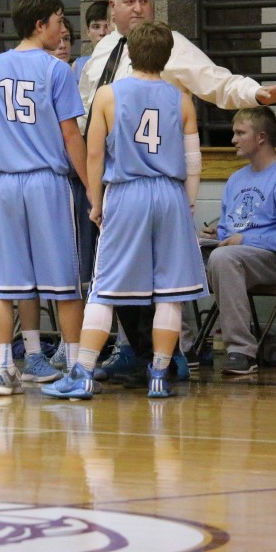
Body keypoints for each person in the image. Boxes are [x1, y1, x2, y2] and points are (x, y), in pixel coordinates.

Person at [78, 0, 276, 380]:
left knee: (144, 280)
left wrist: (254, 93)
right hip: (114, 180)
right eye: (130, 1)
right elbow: (85, 113)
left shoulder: (171, 46)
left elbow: (215, 81)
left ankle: (159, 358)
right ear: (112, 8)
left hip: (143, 182)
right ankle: (137, 355)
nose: (139, 8)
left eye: (145, 0)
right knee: (121, 278)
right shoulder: (104, 50)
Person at [44, 21, 208, 400]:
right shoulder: (181, 99)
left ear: (129, 52)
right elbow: (194, 162)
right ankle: (159, 375)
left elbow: (95, 155)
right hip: (170, 195)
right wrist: (188, 203)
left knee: (104, 289)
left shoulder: (107, 95)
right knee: (169, 293)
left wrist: (96, 201)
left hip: (127, 192)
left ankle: (83, 372)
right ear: (168, 56)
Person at [0, 0, 91, 396]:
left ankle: (3, 370)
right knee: (65, 283)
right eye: (58, 20)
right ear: (40, 24)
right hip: (47, 182)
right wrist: (92, 188)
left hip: (7, 183)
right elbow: (71, 135)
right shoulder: (57, 70)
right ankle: (76, 367)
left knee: (5, 285)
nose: (62, 29)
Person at [202, 107, 276, 375]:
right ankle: (181, 347)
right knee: (176, 253)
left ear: (261, 137)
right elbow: (228, 227)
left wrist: (244, 239)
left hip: (273, 261)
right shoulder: (236, 179)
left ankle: (241, 351)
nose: (233, 139)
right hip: (233, 255)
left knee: (223, 258)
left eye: (240, 133)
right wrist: (215, 236)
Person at [73, 0, 109, 79]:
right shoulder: (79, 66)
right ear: (88, 32)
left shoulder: (126, 64)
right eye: (96, 27)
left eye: (107, 26)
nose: (102, 32)